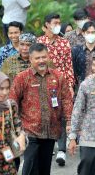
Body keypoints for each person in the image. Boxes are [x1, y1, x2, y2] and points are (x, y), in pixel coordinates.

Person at [9, 43, 73, 175]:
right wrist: (16, 128)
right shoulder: (22, 77)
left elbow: (66, 99)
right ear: (31, 59)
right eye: (37, 58)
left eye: (44, 57)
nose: (41, 60)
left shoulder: (58, 76)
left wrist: (69, 121)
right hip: (30, 131)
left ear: (48, 57)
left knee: (45, 169)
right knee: (30, 167)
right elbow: (12, 102)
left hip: (51, 131)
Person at [37, 13, 74, 166]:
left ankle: (62, 150)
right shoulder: (39, 42)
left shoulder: (64, 43)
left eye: (60, 22)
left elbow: (68, 66)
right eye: (55, 22)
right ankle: (46, 144)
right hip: (42, 83)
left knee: (62, 115)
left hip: (61, 83)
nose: (58, 25)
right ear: (47, 25)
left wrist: (70, 85)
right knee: (45, 114)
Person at [0, 71, 25, 174]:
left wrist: (22, 136)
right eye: (1, 88)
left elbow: (18, 127)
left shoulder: (10, 105)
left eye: (7, 88)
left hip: (8, 160)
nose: (5, 92)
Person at [71, 21, 95, 88]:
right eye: (88, 32)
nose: (90, 34)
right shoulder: (76, 50)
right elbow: (73, 70)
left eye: (93, 32)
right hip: (81, 87)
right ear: (83, 33)